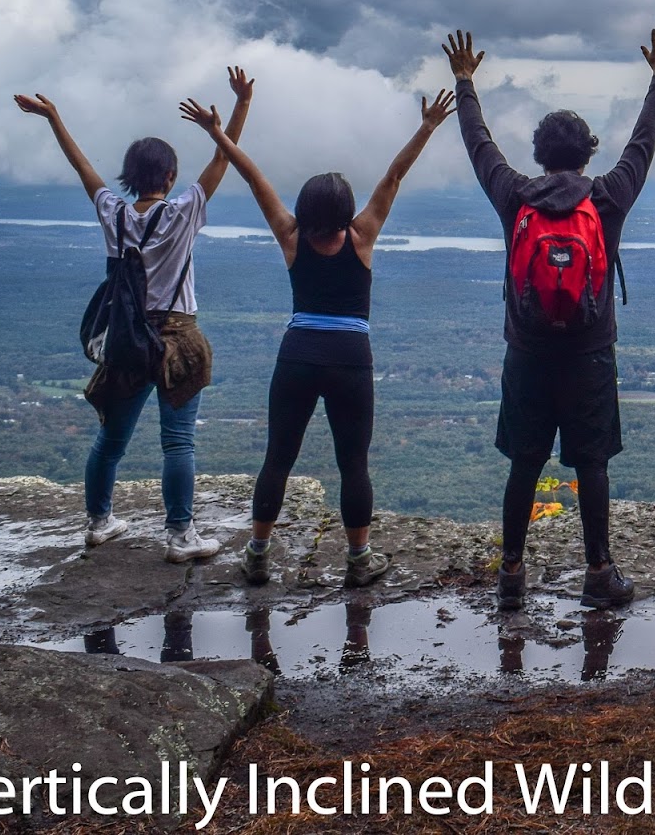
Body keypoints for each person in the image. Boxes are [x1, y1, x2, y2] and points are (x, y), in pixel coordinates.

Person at [178, 89, 456, 589]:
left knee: (278, 457)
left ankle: (258, 557)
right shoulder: (362, 235)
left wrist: (216, 132)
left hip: (298, 355)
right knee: (354, 463)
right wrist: (428, 126)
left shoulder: (291, 235)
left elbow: (252, 175)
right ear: (347, 209)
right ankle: (358, 561)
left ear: (305, 207)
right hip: (351, 357)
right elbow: (394, 176)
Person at [442, 26, 655, 614]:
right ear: (588, 153)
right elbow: (643, 145)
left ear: (541, 154)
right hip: (590, 355)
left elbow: (479, 146)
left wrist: (465, 83)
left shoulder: (515, 195)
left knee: (526, 460)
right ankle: (598, 573)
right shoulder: (608, 196)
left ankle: (513, 575)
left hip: (526, 353)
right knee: (591, 462)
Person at [12, 69, 254, 561]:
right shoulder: (184, 210)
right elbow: (221, 161)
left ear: (129, 178)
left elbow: (83, 170)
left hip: (126, 338)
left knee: (111, 438)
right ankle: (180, 536)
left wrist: (54, 118)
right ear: (169, 177)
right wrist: (234, 111)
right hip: (178, 339)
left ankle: (99, 521)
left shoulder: (113, 212)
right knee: (178, 442)